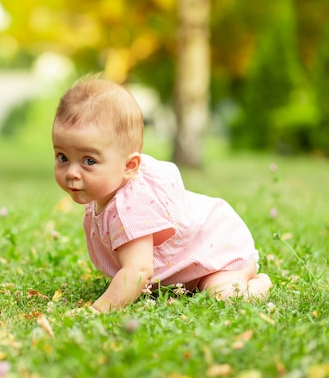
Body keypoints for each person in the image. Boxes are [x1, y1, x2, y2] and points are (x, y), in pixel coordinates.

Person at [52, 76, 272, 313]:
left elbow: (138, 270)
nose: (72, 173)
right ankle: (191, 281)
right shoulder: (102, 188)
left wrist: (97, 310)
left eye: (89, 161)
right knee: (200, 290)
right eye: (63, 157)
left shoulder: (132, 205)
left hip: (219, 252)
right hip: (195, 259)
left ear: (129, 166)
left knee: (222, 296)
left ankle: (260, 284)